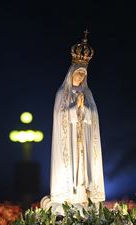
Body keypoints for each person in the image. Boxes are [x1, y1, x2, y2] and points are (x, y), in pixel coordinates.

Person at [44, 31, 105, 215]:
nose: (80, 77)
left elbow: (93, 115)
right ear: (71, 73)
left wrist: (83, 109)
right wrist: (73, 109)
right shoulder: (62, 93)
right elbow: (60, 116)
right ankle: (68, 195)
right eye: (78, 74)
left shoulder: (88, 94)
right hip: (69, 139)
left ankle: (84, 193)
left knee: (82, 168)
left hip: (82, 141)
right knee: (71, 165)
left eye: (82, 75)